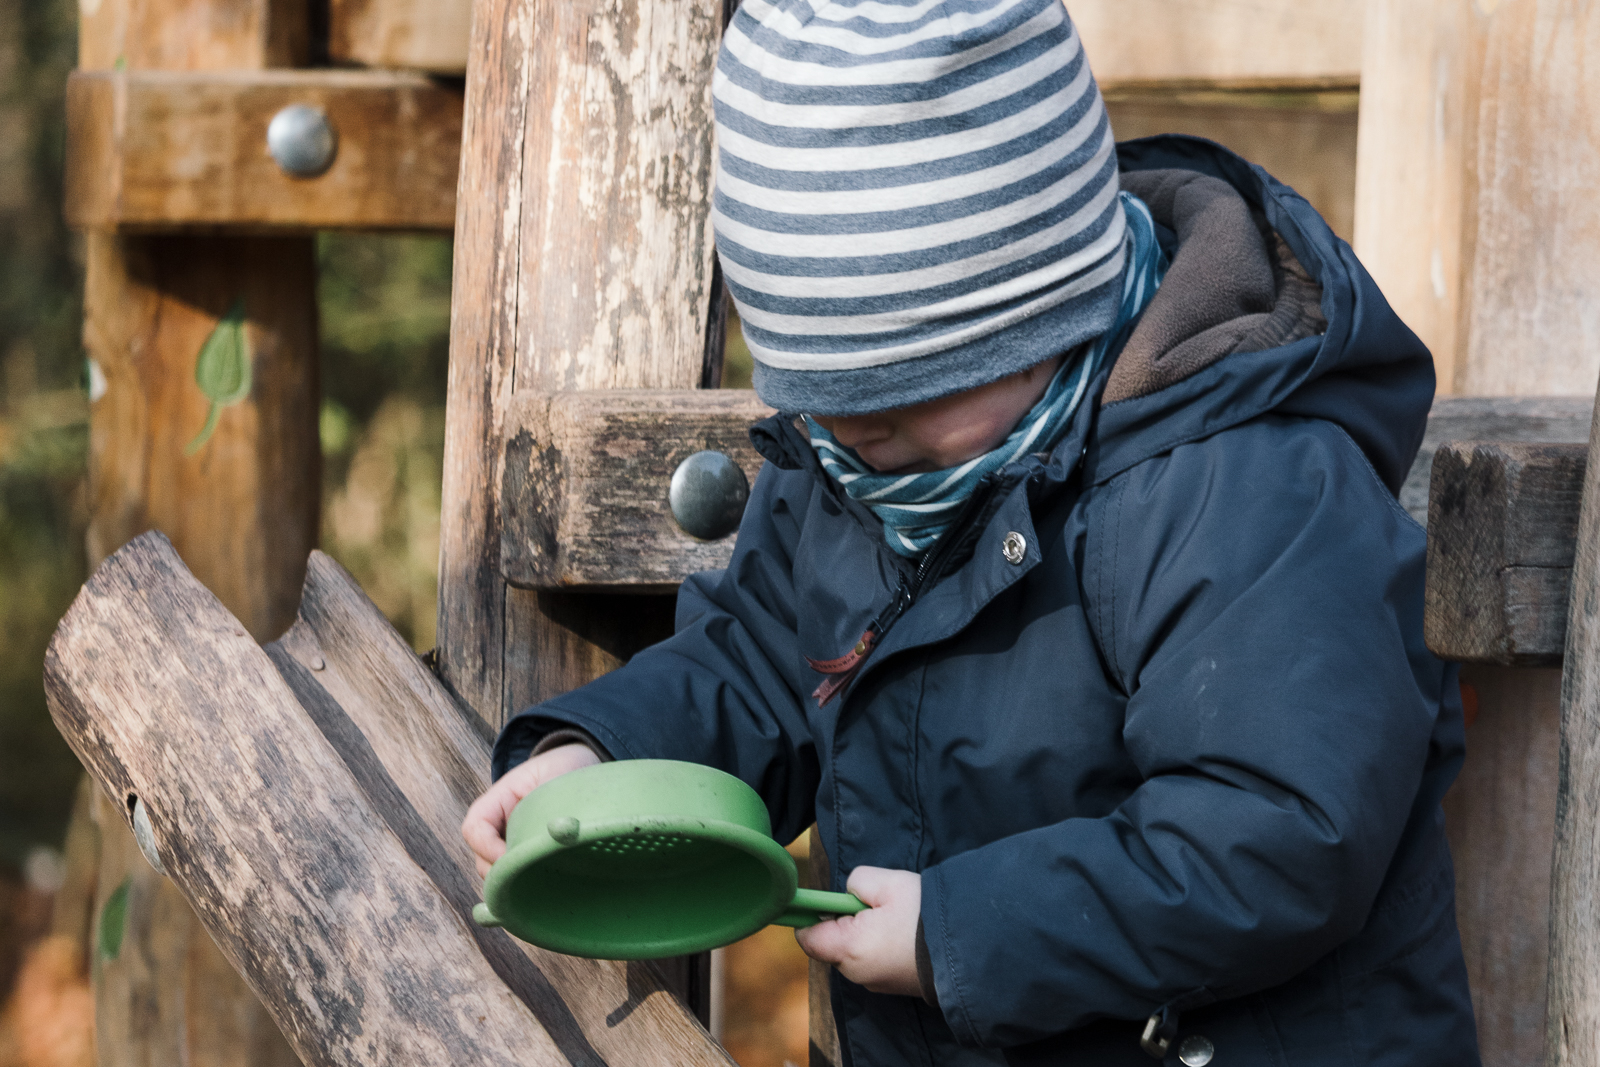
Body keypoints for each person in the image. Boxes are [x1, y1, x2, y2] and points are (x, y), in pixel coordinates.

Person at [462, 1, 1482, 1063]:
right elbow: (763, 662)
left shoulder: (1243, 485)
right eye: (828, 407)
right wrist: (601, 752)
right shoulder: (864, 467)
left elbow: (1279, 833)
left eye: (904, 404)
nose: (861, 446)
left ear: (1045, 309)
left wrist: (961, 932)